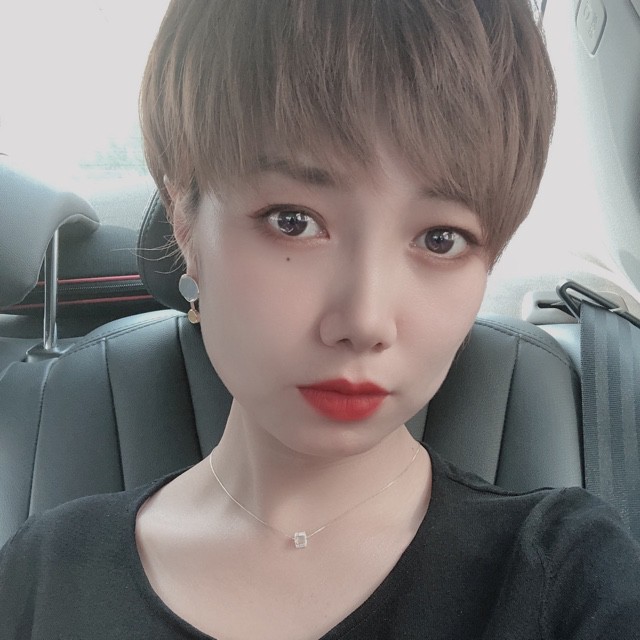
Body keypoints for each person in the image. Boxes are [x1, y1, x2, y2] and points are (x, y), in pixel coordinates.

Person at [1, 0, 640, 638]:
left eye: (441, 239)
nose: (365, 321)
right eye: (294, 221)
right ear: (184, 220)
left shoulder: (569, 572)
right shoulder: (44, 573)